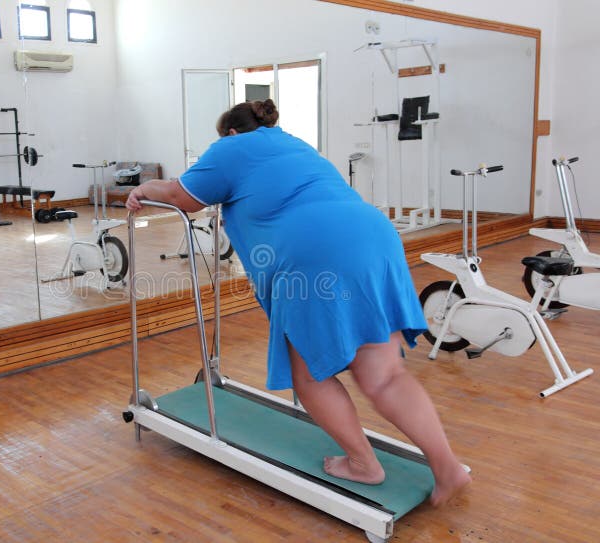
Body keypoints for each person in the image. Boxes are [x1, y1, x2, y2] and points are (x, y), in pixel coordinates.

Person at [126, 99, 471, 506]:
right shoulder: (295, 144)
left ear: (231, 132)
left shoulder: (231, 147)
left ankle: (364, 464)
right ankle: (447, 468)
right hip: (375, 236)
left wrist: (142, 189)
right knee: (384, 376)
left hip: (315, 253)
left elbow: (180, 195)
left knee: (309, 376)